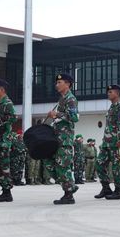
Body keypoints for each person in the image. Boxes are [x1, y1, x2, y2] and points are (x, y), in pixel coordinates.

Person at [44, 73, 80, 205]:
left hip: (64, 139)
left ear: (68, 84)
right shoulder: (61, 99)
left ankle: (68, 195)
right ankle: (70, 186)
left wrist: (56, 113)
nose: (57, 85)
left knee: (63, 166)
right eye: (57, 83)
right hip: (56, 138)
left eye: (60, 82)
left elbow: (74, 117)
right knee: (49, 163)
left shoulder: (71, 99)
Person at [95, 84, 120, 200]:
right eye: (108, 92)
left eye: (111, 92)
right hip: (106, 143)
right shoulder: (111, 108)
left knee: (117, 167)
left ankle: (118, 191)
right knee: (99, 164)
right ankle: (106, 188)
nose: (108, 93)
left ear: (117, 94)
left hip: (116, 143)